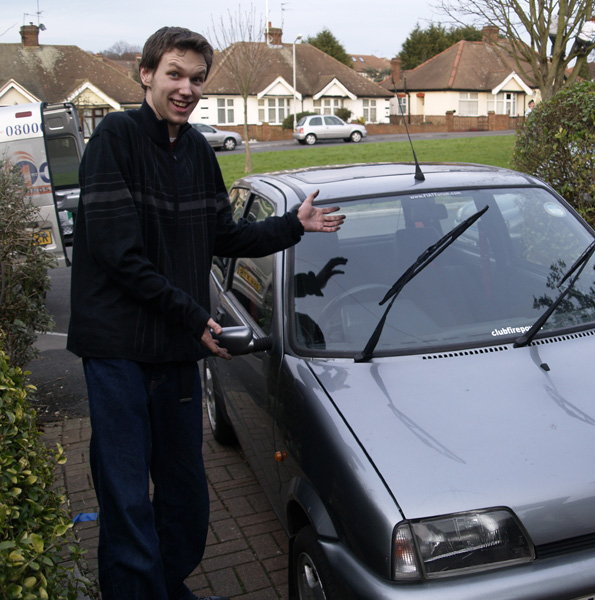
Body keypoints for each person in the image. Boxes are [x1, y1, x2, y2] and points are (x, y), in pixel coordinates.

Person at [67, 26, 344, 600]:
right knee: (124, 496)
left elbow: (225, 234)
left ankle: (163, 585)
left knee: (186, 495)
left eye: (196, 79)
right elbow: (119, 256)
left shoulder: (195, 150)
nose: (186, 88)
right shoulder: (114, 139)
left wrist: (294, 226)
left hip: (174, 351)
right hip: (118, 351)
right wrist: (193, 315)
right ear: (146, 73)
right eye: (175, 73)